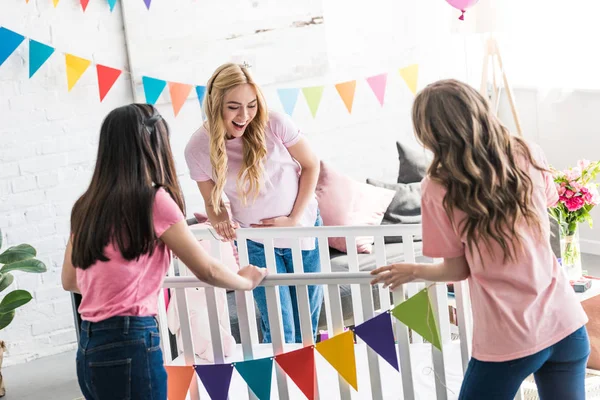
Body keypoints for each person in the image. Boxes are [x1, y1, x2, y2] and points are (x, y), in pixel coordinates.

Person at [370, 79, 590, 399]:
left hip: (511, 337)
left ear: (429, 132)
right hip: (566, 322)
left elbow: (456, 270)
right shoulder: (527, 151)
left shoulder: (438, 185)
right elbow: (551, 200)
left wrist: (413, 269)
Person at [61, 103, 266, 400]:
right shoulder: (154, 200)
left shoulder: (86, 205)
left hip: (89, 346)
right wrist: (245, 280)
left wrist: (119, 277)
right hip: (132, 339)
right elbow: (206, 269)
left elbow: (70, 280)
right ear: (153, 145)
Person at [184, 63, 323, 344]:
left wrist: (294, 219)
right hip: (256, 242)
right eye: (233, 106)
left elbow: (311, 165)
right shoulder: (197, 147)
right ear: (214, 105)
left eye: (251, 105)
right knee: (280, 328)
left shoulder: (276, 123)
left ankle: (311, 385)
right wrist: (220, 217)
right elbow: (212, 202)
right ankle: (283, 385)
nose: (244, 115)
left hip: (302, 230)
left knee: (307, 322)